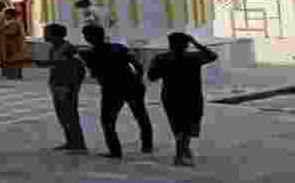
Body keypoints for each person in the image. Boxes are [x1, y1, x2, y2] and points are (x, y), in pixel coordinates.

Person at [81, 24, 153, 159]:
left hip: (112, 90)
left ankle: (115, 151)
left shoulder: (90, 54)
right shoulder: (119, 47)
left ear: (89, 37)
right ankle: (147, 145)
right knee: (141, 115)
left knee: (107, 121)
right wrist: (137, 80)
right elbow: (138, 66)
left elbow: (96, 74)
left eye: (86, 35)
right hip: (132, 85)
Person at [148, 33, 219, 167]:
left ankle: (183, 152)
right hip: (191, 97)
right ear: (187, 44)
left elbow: (152, 77)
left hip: (170, 97)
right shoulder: (193, 57)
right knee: (187, 128)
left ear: (170, 44)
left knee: (178, 127)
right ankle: (180, 155)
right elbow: (213, 56)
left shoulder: (161, 58)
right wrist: (196, 43)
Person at [45, 23, 88, 153]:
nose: (44, 35)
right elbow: (55, 65)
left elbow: (78, 68)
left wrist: (71, 86)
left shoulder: (69, 49)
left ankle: (79, 144)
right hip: (56, 85)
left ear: (56, 35)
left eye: (47, 33)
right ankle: (70, 141)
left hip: (67, 87)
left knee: (70, 115)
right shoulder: (53, 48)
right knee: (62, 115)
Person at [0, 7, 29, 79]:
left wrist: (2, 30)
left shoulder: (15, 22)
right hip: (9, 44)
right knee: (11, 60)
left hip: (13, 44)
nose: (4, 16)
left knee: (13, 60)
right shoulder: (9, 22)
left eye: (6, 14)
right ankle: (13, 74)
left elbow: (13, 32)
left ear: (10, 15)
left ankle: (14, 75)